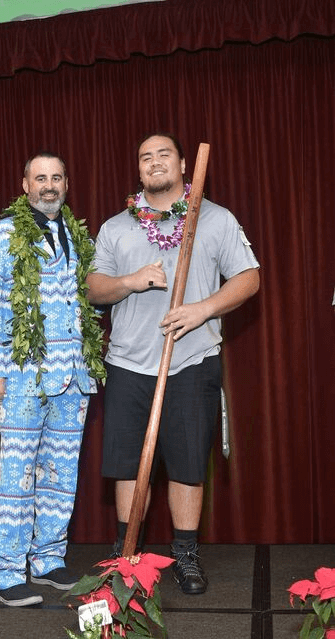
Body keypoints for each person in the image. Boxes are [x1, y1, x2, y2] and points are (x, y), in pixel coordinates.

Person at [86, 132, 260, 594]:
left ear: (183, 164)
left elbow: (249, 278)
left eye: (164, 154)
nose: (155, 161)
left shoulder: (216, 219)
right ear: (138, 169)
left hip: (192, 361)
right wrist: (129, 281)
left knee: (187, 464)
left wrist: (202, 309)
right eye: (146, 156)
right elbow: (93, 289)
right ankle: (126, 555)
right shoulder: (116, 227)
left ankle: (185, 554)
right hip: (128, 364)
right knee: (128, 465)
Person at [0, 151, 105, 606]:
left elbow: (86, 300)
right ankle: (5, 570)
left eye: (57, 177)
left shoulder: (79, 237)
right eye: (40, 178)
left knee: (61, 474)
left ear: (66, 184)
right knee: (18, 472)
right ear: (25, 185)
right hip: (22, 375)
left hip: (74, 376)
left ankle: (48, 558)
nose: (49, 185)